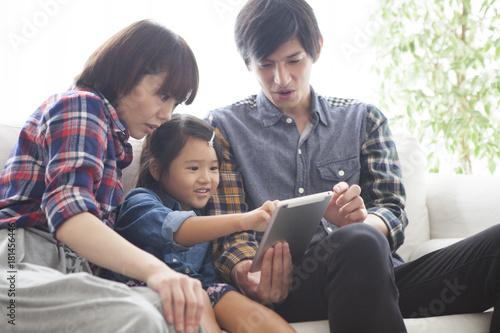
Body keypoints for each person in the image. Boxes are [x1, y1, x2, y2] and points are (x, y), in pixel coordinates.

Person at [206, 0, 500, 332]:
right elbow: (225, 231)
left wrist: (362, 222)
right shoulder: (224, 128)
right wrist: (248, 271)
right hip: (288, 286)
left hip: (376, 273)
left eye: (294, 60)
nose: (281, 78)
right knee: (358, 243)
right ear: (247, 62)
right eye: (265, 65)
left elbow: (391, 209)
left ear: (316, 48)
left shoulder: (363, 119)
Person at [0, 20, 205, 333]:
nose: (167, 115)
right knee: (140, 317)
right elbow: (70, 215)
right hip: (19, 262)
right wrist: (156, 271)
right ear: (126, 76)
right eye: (163, 96)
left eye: (175, 103)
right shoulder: (82, 105)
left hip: (69, 271)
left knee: (178, 314)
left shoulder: (113, 139)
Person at [106, 113, 295, 333]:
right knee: (200, 297)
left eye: (213, 168)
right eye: (194, 168)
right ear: (157, 169)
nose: (206, 178)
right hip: (145, 288)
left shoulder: (202, 214)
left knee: (243, 308)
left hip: (201, 287)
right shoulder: (139, 201)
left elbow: (206, 277)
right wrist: (244, 220)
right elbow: (177, 230)